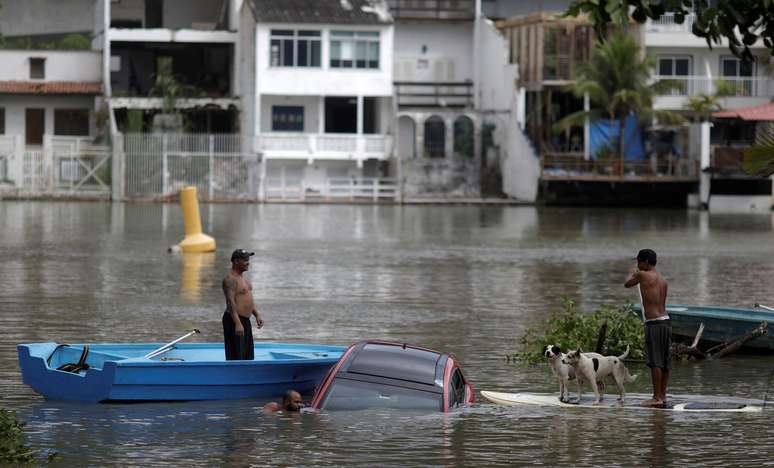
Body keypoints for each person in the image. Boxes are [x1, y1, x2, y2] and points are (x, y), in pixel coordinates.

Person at [624, 248, 671, 408]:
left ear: (646, 262)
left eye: (638, 261)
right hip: (666, 321)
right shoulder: (663, 280)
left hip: (654, 324)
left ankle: (656, 397)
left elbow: (627, 283)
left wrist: (633, 271)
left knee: (655, 362)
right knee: (664, 361)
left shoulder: (642, 274)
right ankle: (663, 396)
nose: (637, 264)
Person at [222, 249, 264, 360]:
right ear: (236, 261)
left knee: (247, 355)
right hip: (234, 320)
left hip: (245, 320)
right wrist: (237, 323)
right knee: (237, 355)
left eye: (248, 259)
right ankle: (234, 375)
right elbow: (230, 302)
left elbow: (247, 299)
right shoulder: (229, 280)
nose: (248, 262)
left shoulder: (243, 279)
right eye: (245, 260)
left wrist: (256, 314)